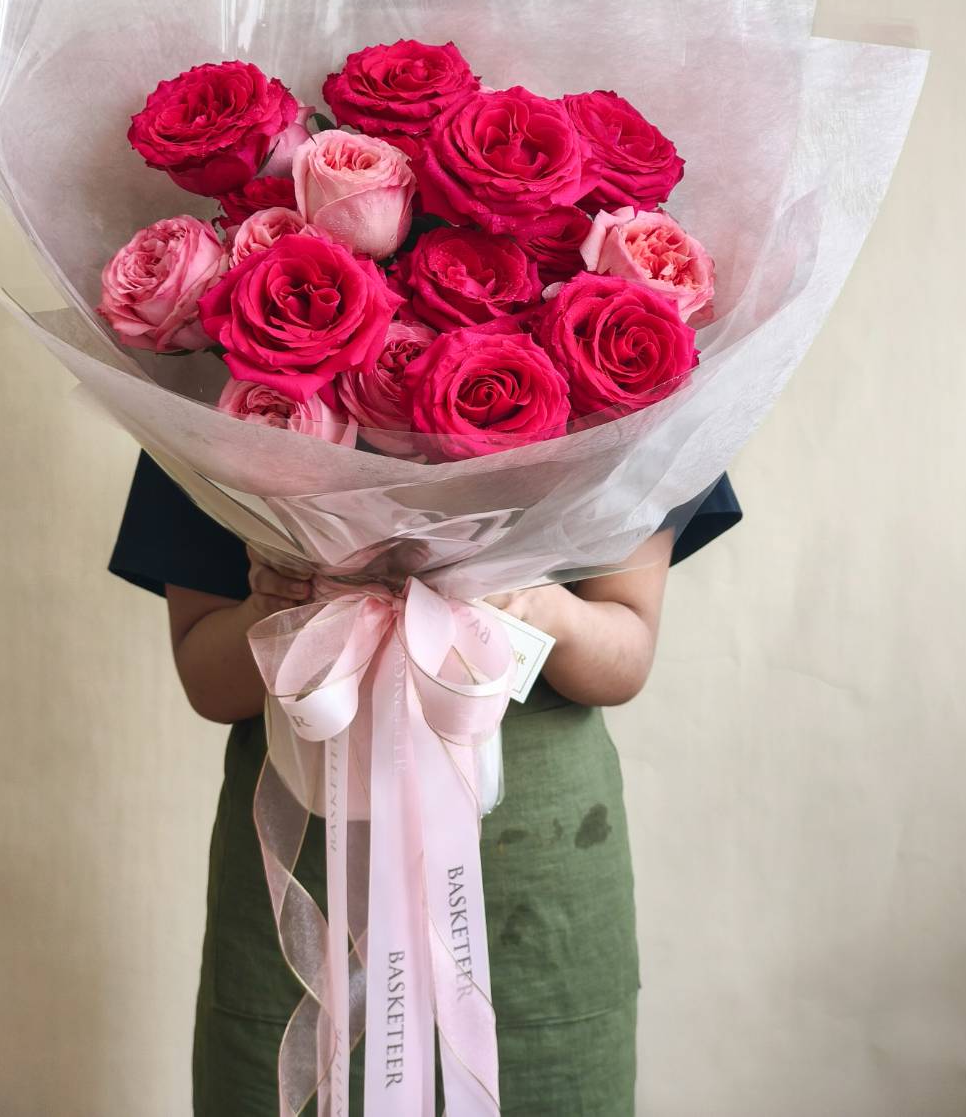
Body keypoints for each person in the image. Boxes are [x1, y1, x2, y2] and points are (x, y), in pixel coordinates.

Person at [110, 452, 741, 1116]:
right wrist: (274, 613)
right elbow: (207, 677)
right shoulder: (226, 392)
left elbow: (627, 650)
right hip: (311, 851)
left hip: (538, 856)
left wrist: (536, 604)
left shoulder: (637, 388)